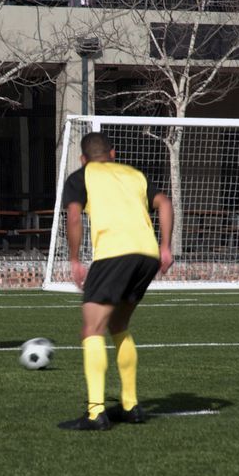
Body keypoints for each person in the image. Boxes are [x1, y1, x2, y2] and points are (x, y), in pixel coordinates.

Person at [57, 132, 173, 431]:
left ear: (83, 158)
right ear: (113, 152)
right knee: (118, 326)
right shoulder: (134, 174)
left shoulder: (81, 175)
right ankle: (131, 405)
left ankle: (96, 412)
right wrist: (165, 247)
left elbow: (73, 217)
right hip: (146, 255)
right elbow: (165, 204)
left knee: (91, 329)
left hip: (113, 255)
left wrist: (73, 259)